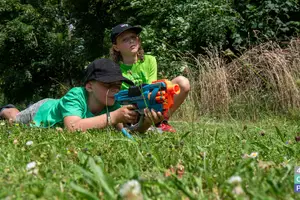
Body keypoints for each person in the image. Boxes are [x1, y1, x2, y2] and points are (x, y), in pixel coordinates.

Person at [0, 58, 164, 133]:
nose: (114, 89)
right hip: (43, 110)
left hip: (61, 107)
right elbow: (72, 127)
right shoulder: (76, 95)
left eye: (117, 85)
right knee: (14, 120)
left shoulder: (112, 103)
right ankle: (6, 109)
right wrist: (113, 117)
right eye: (107, 85)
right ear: (89, 86)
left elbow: (125, 132)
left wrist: (145, 123)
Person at [110, 23, 190, 132]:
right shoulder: (113, 69)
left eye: (133, 37)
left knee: (182, 82)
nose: (131, 41)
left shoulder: (150, 60)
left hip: (150, 100)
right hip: (130, 109)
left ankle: (161, 121)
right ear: (116, 47)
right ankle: (139, 127)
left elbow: (152, 87)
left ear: (138, 41)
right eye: (125, 40)